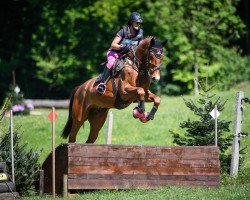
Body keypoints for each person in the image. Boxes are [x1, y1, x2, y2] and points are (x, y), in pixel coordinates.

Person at [96, 12, 144, 94]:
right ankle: (102, 83)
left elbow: (141, 46)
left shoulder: (140, 33)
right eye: (137, 23)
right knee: (111, 63)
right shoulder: (123, 31)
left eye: (139, 23)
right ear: (131, 22)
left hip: (127, 56)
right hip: (114, 52)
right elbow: (113, 44)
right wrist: (123, 47)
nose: (138, 25)